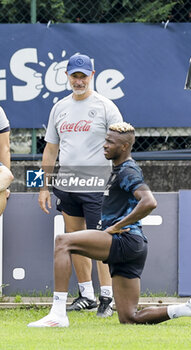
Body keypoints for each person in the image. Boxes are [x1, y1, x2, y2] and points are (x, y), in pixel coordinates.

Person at [28, 122, 191, 328]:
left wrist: (116, 226)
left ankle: (57, 314)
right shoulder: (118, 169)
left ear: (124, 147)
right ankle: (187, 308)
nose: (104, 145)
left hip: (124, 240)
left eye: (110, 142)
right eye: (105, 140)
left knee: (63, 242)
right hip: (133, 247)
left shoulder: (127, 171)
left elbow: (149, 201)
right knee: (129, 317)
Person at [38, 53, 123, 317]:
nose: (79, 81)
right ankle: (86, 294)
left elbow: (122, 144)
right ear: (67, 77)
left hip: (99, 185)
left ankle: (107, 298)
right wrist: (44, 186)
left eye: (83, 76)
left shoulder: (106, 106)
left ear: (92, 76)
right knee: (74, 240)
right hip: (68, 184)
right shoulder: (59, 108)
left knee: (101, 242)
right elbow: (51, 150)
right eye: (74, 76)